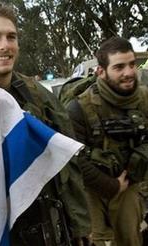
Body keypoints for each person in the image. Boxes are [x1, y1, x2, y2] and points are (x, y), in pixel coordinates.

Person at [0, 2, 90, 245]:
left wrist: (79, 224)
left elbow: (67, 164)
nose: (5, 45)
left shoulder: (39, 96)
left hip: (41, 224)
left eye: (11, 37)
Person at [67, 37, 148, 245]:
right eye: (119, 67)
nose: (129, 72)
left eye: (132, 64)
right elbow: (73, 159)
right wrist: (112, 186)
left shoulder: (145, 98)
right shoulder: (80, 108)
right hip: (94, 190)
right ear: (101, 72)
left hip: (132, 185)